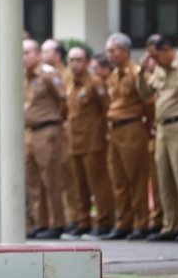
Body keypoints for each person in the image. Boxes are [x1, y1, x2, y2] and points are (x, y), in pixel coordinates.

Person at [137, 35, 178, 242]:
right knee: (163, 178)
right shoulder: (158, 68)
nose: (154, 60)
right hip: (162, 128)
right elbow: (145, 94)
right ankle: (170, 225)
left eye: (156, 56)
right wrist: (141, 72)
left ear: (166, 49)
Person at [61, 46, 114, 241]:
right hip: (75, 143)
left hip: (93, 142)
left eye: (78, 60)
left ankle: (103, 222)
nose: (74, 63)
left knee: (98, 184)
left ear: (86, 62)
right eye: (71, 60)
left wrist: (105, 134)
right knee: (79, 185)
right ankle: (83, 223)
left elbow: (105, 109)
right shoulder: (69, 84)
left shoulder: (95, 83)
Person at [103, 33, 149, 240]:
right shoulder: (114, 75)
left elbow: (149, 102)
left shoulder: (136, 73)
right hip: (115, 130)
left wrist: (149, 126)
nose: (108, 55)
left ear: (125, 51)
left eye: (112, 50)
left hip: (132, 127)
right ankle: (124, 222)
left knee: (136, 178)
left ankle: (142, 222)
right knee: (119, 179)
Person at [23, 39, 66, 240]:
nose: (23, 57)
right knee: (34, 181)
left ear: (38, 54)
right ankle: (40, 223)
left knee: (50, 179)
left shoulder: (48, 74)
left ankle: (55, 223)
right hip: (29, 133)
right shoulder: (24, 76)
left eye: (27, 53)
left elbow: (63, 100)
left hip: (47, 131)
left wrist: (58, 122)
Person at [41, 38, 81, 233]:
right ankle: (63, 218)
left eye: (45, 51)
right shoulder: (45, 74)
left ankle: (75, 218)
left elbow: (66, 102)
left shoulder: (65, 75)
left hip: (66, 132)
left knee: (70, 175)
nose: (41, 55)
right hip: (58, 133)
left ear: (57, 56)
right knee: (57, 176)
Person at [142, 56, 162, 235]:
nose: (149, 62)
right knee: (156, 180)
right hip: (155, 132)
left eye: (153, 57)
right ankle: (158, 218)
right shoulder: (149, 78)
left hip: (169, 128)